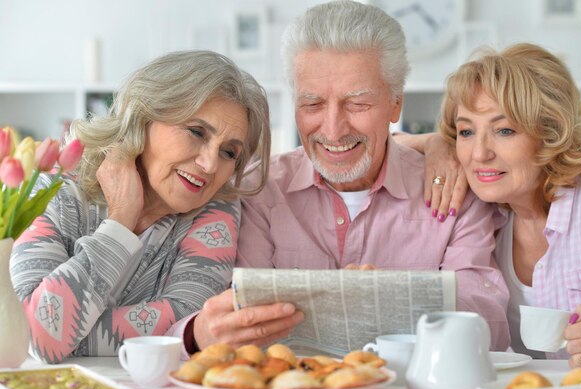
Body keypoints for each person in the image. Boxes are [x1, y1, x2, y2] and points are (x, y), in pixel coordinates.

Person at [179, 0, 510, 354]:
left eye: (357, 104)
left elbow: (489, 326)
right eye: (313, 105)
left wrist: (386, 299)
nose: (334, 131)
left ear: (396, 103)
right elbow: (221, 315)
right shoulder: (258, 189)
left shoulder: (455, 190)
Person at [10, 50, 271, 364]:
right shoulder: (53, 191)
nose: (209, 164)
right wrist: (120, 221)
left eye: (229, 152)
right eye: (197, 132)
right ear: (142, 117)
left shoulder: (216, 210)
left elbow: (191, 322)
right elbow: (36, 335)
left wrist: (69, 331)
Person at [438, 42, 581, 368]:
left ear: (550, 133)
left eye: (504, 130)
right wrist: (428, 145)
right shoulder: (480, 219)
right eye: (466, 131)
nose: (479, 153)